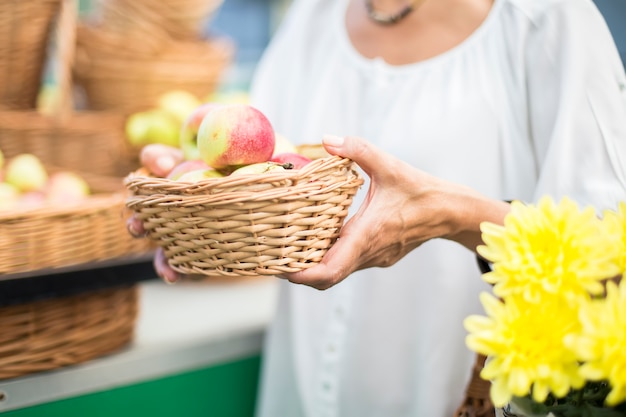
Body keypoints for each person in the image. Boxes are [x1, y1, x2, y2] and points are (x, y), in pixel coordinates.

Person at [128, 0, 626, 415]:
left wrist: (451, 215)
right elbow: (267, 185)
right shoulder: (312, 18)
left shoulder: (547, 21)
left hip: (459, 397)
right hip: (298, 396)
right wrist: (205, 217)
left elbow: (608, 262)